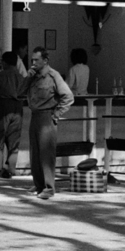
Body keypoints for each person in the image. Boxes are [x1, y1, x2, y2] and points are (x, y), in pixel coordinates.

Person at [23, 47, 74, 199]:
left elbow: (68, 97)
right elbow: (18, 91)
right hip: (35, 115)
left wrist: (56, 114)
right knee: (35, 153)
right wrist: (28, 78)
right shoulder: (33, 76)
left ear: (45, 61)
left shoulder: (53, 76)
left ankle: (49, 188)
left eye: (36, 60)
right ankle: (39, 184)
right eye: (32, 60)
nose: (33, 63)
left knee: (46, 154)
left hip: (47, 116)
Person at [0, 51, 26, 177]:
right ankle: (10, 169)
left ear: (4, 62)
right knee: (14, 142)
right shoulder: (22, 78)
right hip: (18, 108)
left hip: (2, 107)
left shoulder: (0, 76)